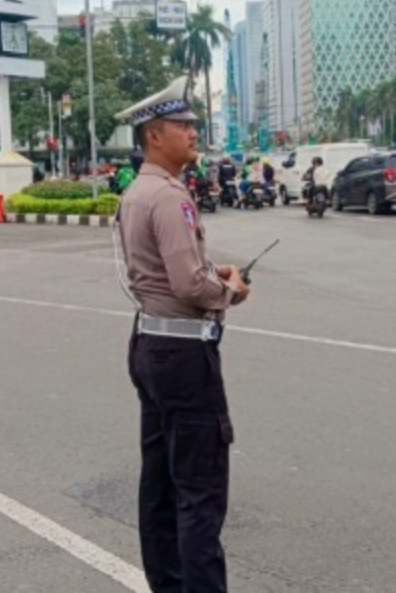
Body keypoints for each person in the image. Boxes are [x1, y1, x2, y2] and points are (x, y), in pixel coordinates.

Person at [115, 76, 251, 592]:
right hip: (183, 354)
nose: (193, 132)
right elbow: (188, 283)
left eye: (193, 123)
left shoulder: (137, 191)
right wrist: (231, 290)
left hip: (151, 343)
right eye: (182, 125)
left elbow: (160, 272)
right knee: (200, 491)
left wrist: (213, 272)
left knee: (160, 484)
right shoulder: (171, 197)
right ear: (154, 134)